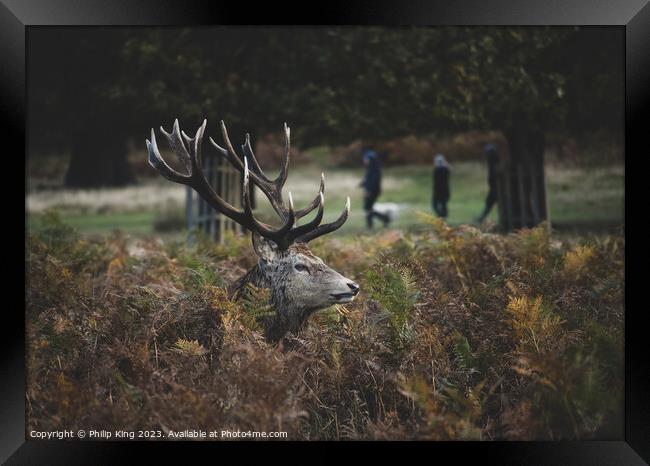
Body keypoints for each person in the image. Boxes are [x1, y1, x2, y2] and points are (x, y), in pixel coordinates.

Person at [360, 146, 390, 229]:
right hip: (371, 191)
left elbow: (373, 182)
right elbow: (369, 180)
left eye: (365, 159)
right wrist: (362, 184)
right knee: (369, 208)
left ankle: (384, 219)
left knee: (368, 208)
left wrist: (368, 191)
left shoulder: (374, 169)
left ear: (369, 159)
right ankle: (381, 220)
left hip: (371, 191)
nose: (364, 160)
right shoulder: (372, 168)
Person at [477, 143, 500, 223]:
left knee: (490, 202)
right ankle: (481, 217)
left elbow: (494, 177)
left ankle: (482, 217)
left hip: (496, 187)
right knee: (489, 202)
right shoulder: (493, 163)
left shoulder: (494, 163)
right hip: (494, 187)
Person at [432, 153, 451, 218]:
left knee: (435, 205)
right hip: (445, 190)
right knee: (444, 205)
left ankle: (440, 216)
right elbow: (449, 169)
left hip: (438, 190)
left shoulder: (437, 170)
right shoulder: (446, 169)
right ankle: (443, 216)